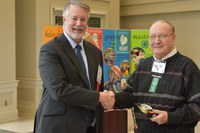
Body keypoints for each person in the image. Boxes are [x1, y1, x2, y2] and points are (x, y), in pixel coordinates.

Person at [33, 1, 114, 133]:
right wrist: (99, 97)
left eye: (83, 19)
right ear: (64, 19)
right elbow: (59, 90)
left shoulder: (95, 52)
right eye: (74, 18)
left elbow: (97, 87)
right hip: (60, 126)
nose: (79, 23)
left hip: (90, 126)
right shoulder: (50, 50)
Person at [114, 20, 200, 133]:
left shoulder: (188, 67)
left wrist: (170, 117)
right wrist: (111, 98)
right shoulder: (143, 65)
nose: (156, 41)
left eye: (162, 36)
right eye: (152, 36)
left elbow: (197, 107)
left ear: (173, 38)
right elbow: (129, 96)